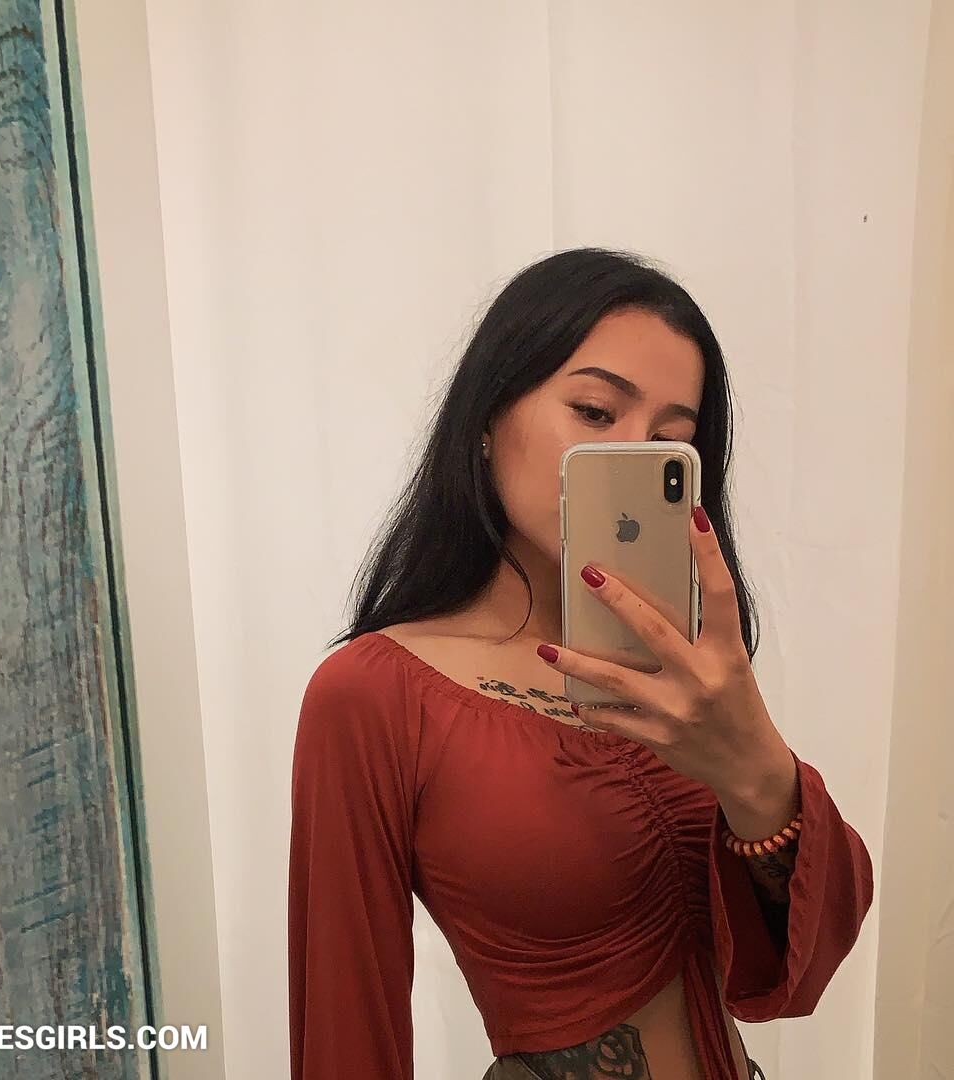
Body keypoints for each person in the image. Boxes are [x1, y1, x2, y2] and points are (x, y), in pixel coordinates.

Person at [287, 248, 874, 1079]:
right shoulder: (374, 693)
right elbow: (345, 1015)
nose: (630, 453)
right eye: (596, 412)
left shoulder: (687, 673)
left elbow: (803, 970)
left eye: (669, 441)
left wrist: (755, 767)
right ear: (487, 417)